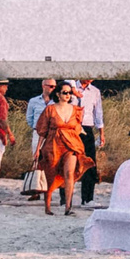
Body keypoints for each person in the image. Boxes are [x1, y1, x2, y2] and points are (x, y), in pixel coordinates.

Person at [35, 81, 90, 216]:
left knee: (69, 173)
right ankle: (47, 206)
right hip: (53, 145)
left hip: (71, 144)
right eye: (65, 92)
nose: (68, 95)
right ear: (58, 94)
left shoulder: (75, 109)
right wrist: (37, 149)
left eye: (70, 93)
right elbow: (43, 130)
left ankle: (68, 207)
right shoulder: (50, 109)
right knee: (51, 174)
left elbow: (77, 128)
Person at [77, 76, 104, 203]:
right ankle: (64, 199)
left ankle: (88, 198)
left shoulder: (95, 91)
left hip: (87, 128)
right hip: (71, 128)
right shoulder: (70, 87)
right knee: (67, 161)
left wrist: (101, 133)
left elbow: (98, 113)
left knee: (90, 162)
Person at [26, 78, 58, 159]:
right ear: (43, 86)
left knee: (52, 158)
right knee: (37, 159)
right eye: (51, 86)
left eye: (55, 86)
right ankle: (36, 171)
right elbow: (29, 118)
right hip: (38, 132)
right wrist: (38, 127)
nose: (54, 88)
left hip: (53, 133)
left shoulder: (58, 101)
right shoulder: (33, 101)